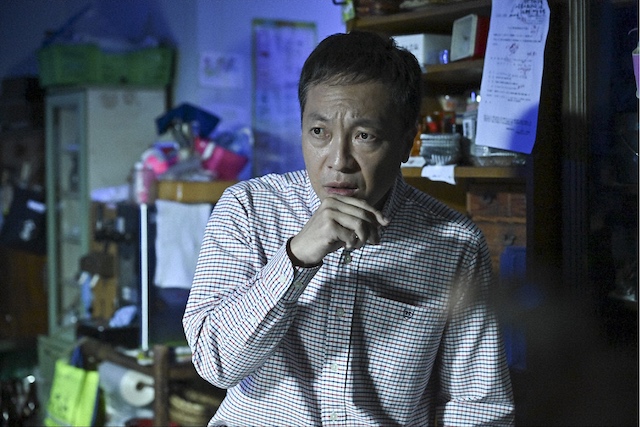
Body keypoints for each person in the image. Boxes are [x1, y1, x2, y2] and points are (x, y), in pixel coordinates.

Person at [183, 30, 515, 426]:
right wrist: (296, 258)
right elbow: (214, 363)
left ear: (407, 141)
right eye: (319, 132)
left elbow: (476, 405)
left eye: (364, 136)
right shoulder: (249, 209)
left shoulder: (454, 242)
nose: (338, 160)